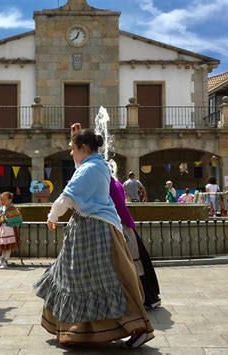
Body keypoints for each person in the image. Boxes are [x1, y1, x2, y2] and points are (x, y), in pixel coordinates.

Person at [34, 127, 154, 348]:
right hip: (93, 229)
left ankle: (137, 327)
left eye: (73, 148)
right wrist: (74, 135)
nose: (70, 153)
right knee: (80, 279)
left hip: (94, 231)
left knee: (104, 279)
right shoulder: (97, 165)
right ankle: (77, 331)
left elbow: (67, 197)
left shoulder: (90, 169)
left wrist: (52, 216)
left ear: (84, 148)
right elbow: (79, 174)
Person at [108, 160, 161, 310]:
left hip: (122, 226)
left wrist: (129, 224)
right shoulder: (116, 183)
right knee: (134, 262)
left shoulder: (113, 184)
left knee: (134, 262)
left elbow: (120, 207)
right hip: (124, 225)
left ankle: (147, 298)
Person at [0, 191, 23, 269]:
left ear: (10, 200)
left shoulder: (12, 208)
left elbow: (18, 218)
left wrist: (6, 218)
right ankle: (1, 261)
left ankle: (5, 261)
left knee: (8, 247)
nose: (3, 201)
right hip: (3, 230)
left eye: (4, 199)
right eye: (2, 199)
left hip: (10, 229)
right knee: (4, 247)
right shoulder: (2, 208)